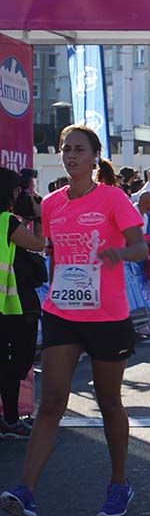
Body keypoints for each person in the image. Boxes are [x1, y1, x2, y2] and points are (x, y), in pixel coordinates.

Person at [1, 124, 148, 516]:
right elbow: (54, 251)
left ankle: (119, 483)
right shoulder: (51, 204)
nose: (70, 155)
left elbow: (140, 246)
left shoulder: (113, 198)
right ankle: (26, 490)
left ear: (94, 156)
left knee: (108, 401)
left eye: (79, 150)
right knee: (51, 402)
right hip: (62, 311)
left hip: (107, 315)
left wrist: (119, 254)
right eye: (66, 149)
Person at [0, 168, 46, 438]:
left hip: (10, 302)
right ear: (12, 192)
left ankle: (11, 419)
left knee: (7, 363)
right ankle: (12, 419)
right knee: (18, 361)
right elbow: (39, 245)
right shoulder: (7, 221)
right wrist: (38, 217)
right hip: (12, 303)